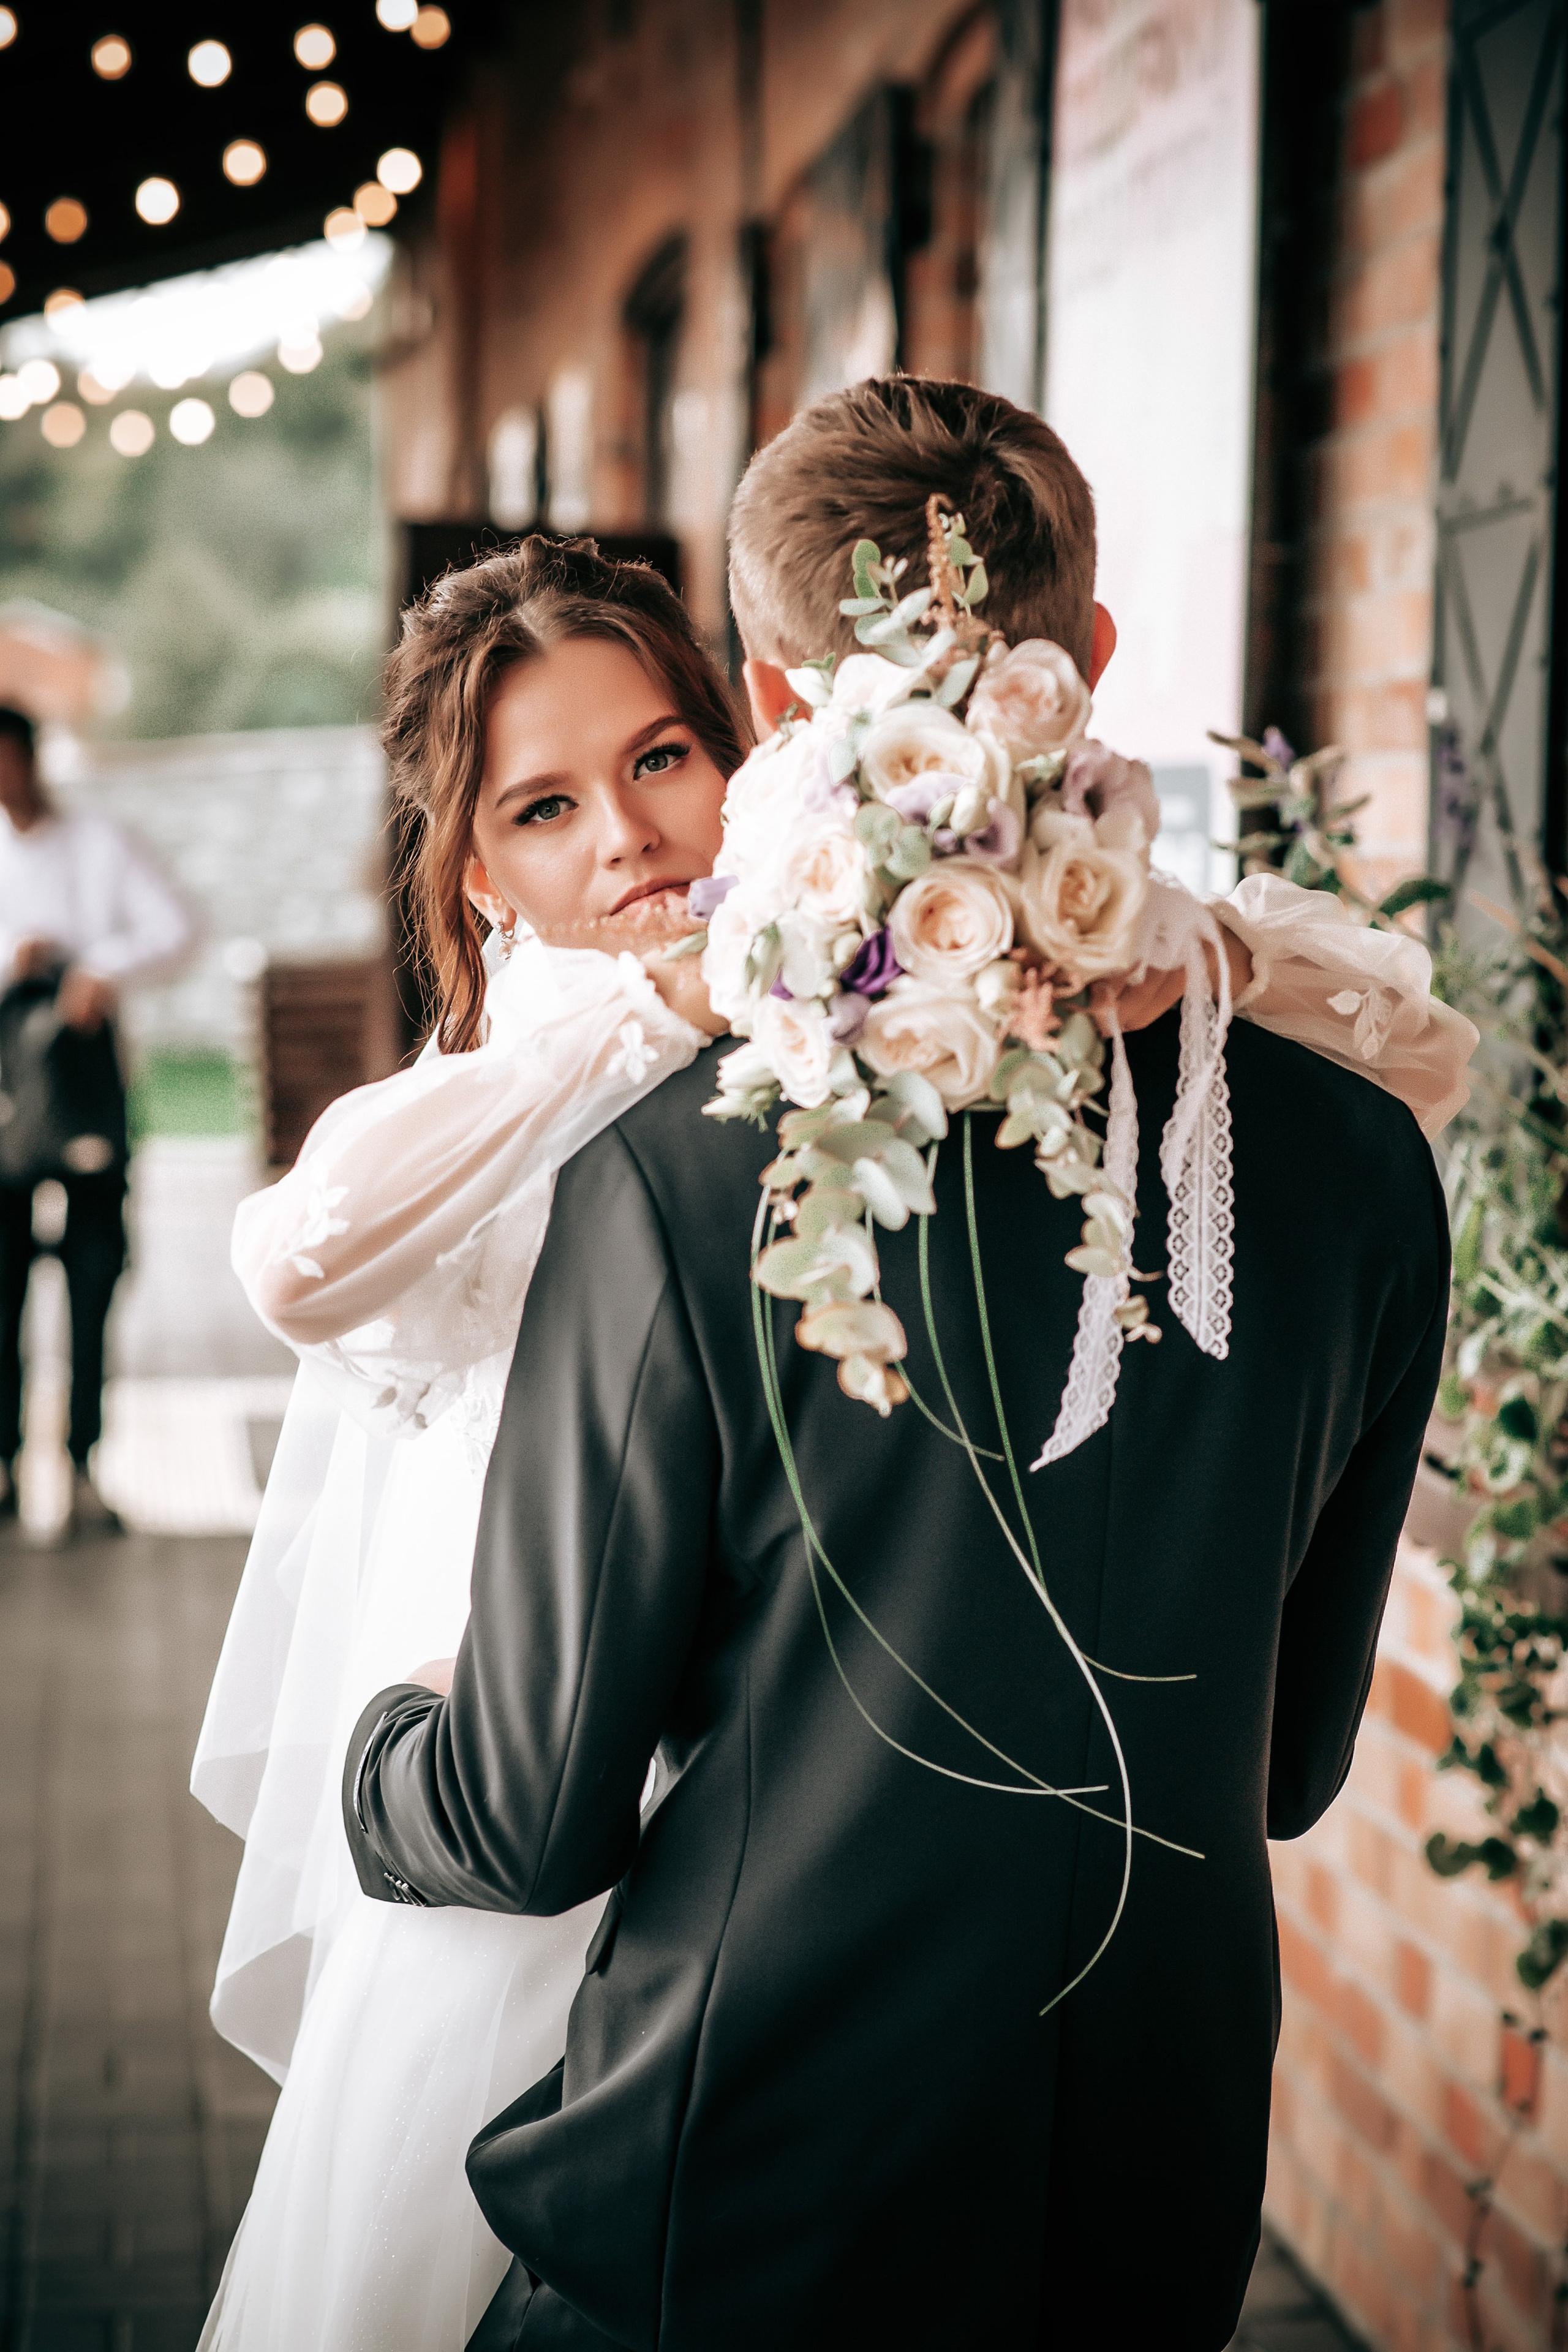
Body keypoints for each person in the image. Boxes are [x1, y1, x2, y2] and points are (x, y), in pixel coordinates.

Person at [195, 391, 1468, 2351]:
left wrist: (379, 1754)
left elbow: (532, 1818)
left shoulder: (687, 1172)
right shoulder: (1366, 1155)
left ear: (774, 706)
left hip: (750, 2183)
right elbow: (1288, 1767)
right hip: (1156, 2187)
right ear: (1097, 655)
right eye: (540, 807)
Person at [0, 704, 192, 1527]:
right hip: (5, 1104)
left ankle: (81, 1465)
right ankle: (4, 1467)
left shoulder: (99, 846)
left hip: (85, 1101)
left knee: (91, 1281)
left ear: (33, 759)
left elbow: (173, 928)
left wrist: (98, 967)